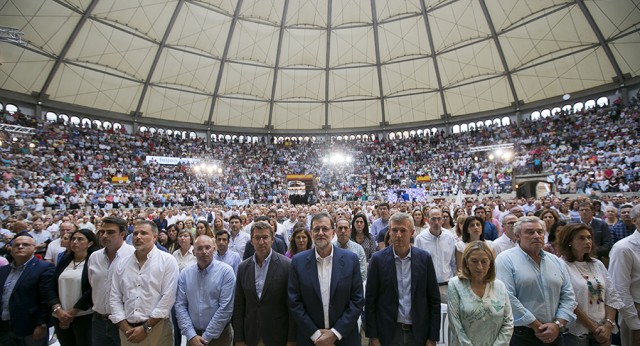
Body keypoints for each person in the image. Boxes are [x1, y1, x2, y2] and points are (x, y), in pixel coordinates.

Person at [495, 216, 576, 346]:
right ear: (517, 236)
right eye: (530, 232)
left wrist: (557, 324)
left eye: (540, 232)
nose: (537, 236)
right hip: (522, 334)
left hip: (555, 333)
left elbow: (568, 295)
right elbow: (507, 297)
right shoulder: (505, 260)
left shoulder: (556, 261)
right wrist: (536, 325)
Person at [288, 212, 364, 346]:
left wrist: (335, 333)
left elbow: (357, 300)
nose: (321, 233)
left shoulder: (350, 260)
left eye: (325, 229)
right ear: (311, 233)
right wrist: (317, 335)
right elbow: (294, 302)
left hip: (344, 338)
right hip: (310, 339)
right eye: (316, 229)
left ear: (333, 232)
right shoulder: (298, 262)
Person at [365, 212, 441, 346]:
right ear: (389, 231)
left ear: (412, 232)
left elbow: (434, 300)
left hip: (418, 333)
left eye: (403, 230)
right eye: (394, 230)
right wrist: (373, 336)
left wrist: (432, 337)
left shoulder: (424, 259)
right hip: (388, 332)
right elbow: (370, 301)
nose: (398, 235)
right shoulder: (378, 260)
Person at [109, 220, 180, 346]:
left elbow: (168, 298)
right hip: (128, 330)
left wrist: (146, 327)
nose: (138, 237)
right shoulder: (121, 263)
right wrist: (124, 326)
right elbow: (114, 297)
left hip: (157, 328)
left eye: (143, 233)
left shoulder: (167, 260)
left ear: (154, 237)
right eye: (135, 233)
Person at [557, 223, 623, 346]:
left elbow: (611, 295)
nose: (588, 241)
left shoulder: (597, 264)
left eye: (589, 237)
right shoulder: (560, 265)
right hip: (577, 331)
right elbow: (569, 302)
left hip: (604, 328)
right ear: (569, 242)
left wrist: (608, 325)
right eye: (582, 238)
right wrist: (594, 328)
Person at [233, 221, 295, 346]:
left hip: (278, 335)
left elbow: (292, 305)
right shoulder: (243, 267)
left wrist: (292, 339)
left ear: (272, 239)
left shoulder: (287, 265)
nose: (261, 242)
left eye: (265, 237)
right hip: (251, 335)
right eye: (257, 238)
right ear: (251, 241)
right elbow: (239, 306)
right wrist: (239, 339)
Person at [448, 241, 513, 346]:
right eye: (474, 261)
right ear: (466, 263)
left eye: (484, 262)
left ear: (490, 263)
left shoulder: (499, 286)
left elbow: (508, 321)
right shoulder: (455, 284)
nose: (479, 267)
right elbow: (455, 323)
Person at [175, 235, 235, 346]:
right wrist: (191, 335)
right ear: (193, 252)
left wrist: (206, 337)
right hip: (193, 336)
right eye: (199, 248)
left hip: (219, 336)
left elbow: (225, 308)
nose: (204, 252)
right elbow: (180, 305)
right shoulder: (185, 274)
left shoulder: (226, 272)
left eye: (207, 247)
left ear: (214, 249)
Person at [87, 216, 135, 346]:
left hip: (125, 322)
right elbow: (93, 284)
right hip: (99, 320)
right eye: (102, 232)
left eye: (110, 232)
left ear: (123, 234)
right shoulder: (94, 257)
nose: (104, 235)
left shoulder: (134, 255)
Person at [0, 234, 55, 346]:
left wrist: (42, 324)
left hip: (30, 326)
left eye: (25, 244)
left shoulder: (44, 268)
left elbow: (46, 299)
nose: (20, 247)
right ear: (11, 249)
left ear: (34, 249)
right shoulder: (3, 270)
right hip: (4, 326)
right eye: (16, 245)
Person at [48, 229, 100, 346]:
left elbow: (93, 289)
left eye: (80, 239)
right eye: (73, 239)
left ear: (90, 243)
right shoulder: (65, 260)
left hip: (83, 315)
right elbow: (52, 286)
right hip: (60, 315)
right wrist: (58, 309)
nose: (74, 242)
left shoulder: (94, 261)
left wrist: (72, 313)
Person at [609, 204, 640, 346]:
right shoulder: (623, 248)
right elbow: (619, 289)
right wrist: (635, 324)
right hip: (635, 308)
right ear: (634, 220)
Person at [415, 207, 456, 302]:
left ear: (442, 220)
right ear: (427, 220)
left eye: (439, 218)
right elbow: (417, 265)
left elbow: (453, 263)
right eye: (433, 219)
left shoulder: (449, 237)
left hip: (447, 286)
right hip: (428, 287)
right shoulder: (420, 239)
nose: (436, 222)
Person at [332, 218, 367, 283]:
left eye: (345, 228)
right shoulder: (330, 248)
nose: (343, 231)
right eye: (340, 228)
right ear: (335, 231)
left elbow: (363, 272)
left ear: (350, 230)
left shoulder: (358, 249)